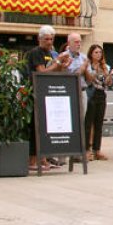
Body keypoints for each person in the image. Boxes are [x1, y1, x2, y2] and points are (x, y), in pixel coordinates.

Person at [25, 25, 71, 171]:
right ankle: (32, 160)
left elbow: (55, 70)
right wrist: (57, 62)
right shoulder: (35, 52)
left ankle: (43, 158)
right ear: (40, 39)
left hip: (48, 93)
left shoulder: (51, 53)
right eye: (46, 39)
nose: (49, 42)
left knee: (44, 127)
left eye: (51, 39)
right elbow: (41, 72)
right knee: (35, 127)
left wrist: (63, 65)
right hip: (35, 92)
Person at [83, 44, 111, 160]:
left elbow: (108, 83)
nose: (98, 55)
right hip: (91, 94)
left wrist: (109, 75)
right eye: (96, 52)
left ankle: (97, 149)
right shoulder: (87, 66)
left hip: (101, 94)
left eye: (100, 52)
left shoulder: (105, 67)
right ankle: (86, 150)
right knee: (88, 123)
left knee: (99, 123)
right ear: (91, 54)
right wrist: (94, 71)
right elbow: (89, 80)